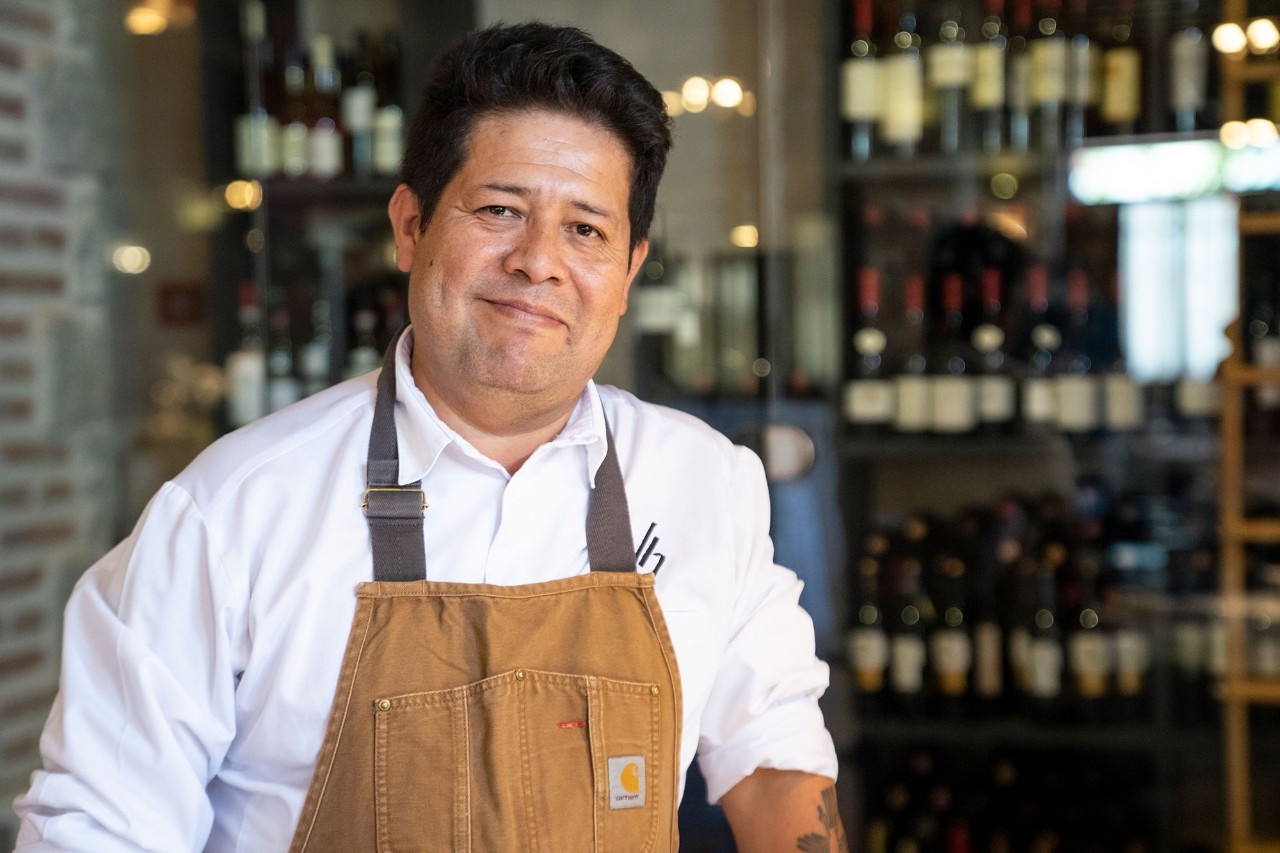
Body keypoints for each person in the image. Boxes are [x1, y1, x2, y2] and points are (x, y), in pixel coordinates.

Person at [14, 22, 843, 852]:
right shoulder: (227, 512)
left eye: (586, 229)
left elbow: (775, 766)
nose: (538, 261)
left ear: (627, 273)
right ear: (410, 227)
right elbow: (101, 828)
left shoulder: (706, 482)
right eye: (499, 210)